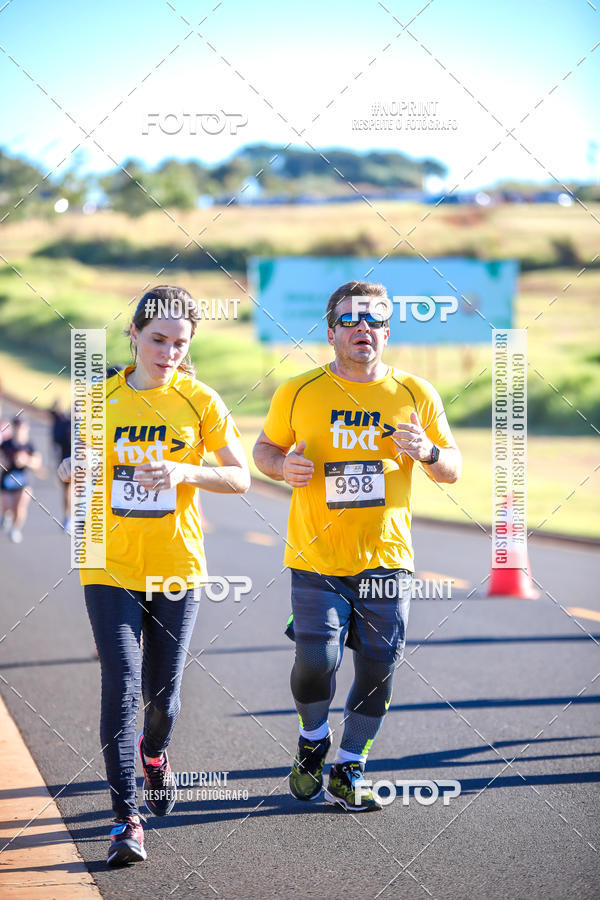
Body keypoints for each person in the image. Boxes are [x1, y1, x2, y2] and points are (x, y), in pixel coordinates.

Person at [58, 285, 250, 866]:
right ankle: (126, 821)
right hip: (108, 564)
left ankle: (156, 753)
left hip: (176, 566)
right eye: (158, 339)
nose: (167, 353)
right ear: (135, 335)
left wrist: (182, 470)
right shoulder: (98, 398)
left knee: (164, 696)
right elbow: (77, 467)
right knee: (123, 687)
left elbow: (240, 477)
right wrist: (72, 467)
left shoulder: (201, 401)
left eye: (179, 343)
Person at [253, 281, 462, 811]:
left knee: (377, 669)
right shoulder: (299, 391)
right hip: (315, 557)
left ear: (387, 332)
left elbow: (452, 471)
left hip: (386, 559)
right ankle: (313, 738)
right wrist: (283, 467)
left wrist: (429, 450)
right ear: (331, 332)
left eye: (373, 320)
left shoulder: (414, 394)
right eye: (350, 320)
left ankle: (350, 765)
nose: (361, 328)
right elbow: (264, 449)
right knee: (316, 658)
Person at [1, 415, 42, 543]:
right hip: (7, 481)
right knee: (7, 506)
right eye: (17, 427)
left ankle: (16, 529)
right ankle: (6, 515)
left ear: (26, 429)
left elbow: (38, 462)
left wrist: (26, 460)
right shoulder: (6, 444)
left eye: (22, 427)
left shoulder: (29, 445)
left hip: (24, 481)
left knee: (20, 506)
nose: (20, 430)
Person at [49, 401, 72, 531]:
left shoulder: (90, 426)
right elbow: (56, 441)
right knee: (67, 492)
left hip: (86, 464)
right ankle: (67, 517)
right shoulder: (64, 425)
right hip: (66, 462)